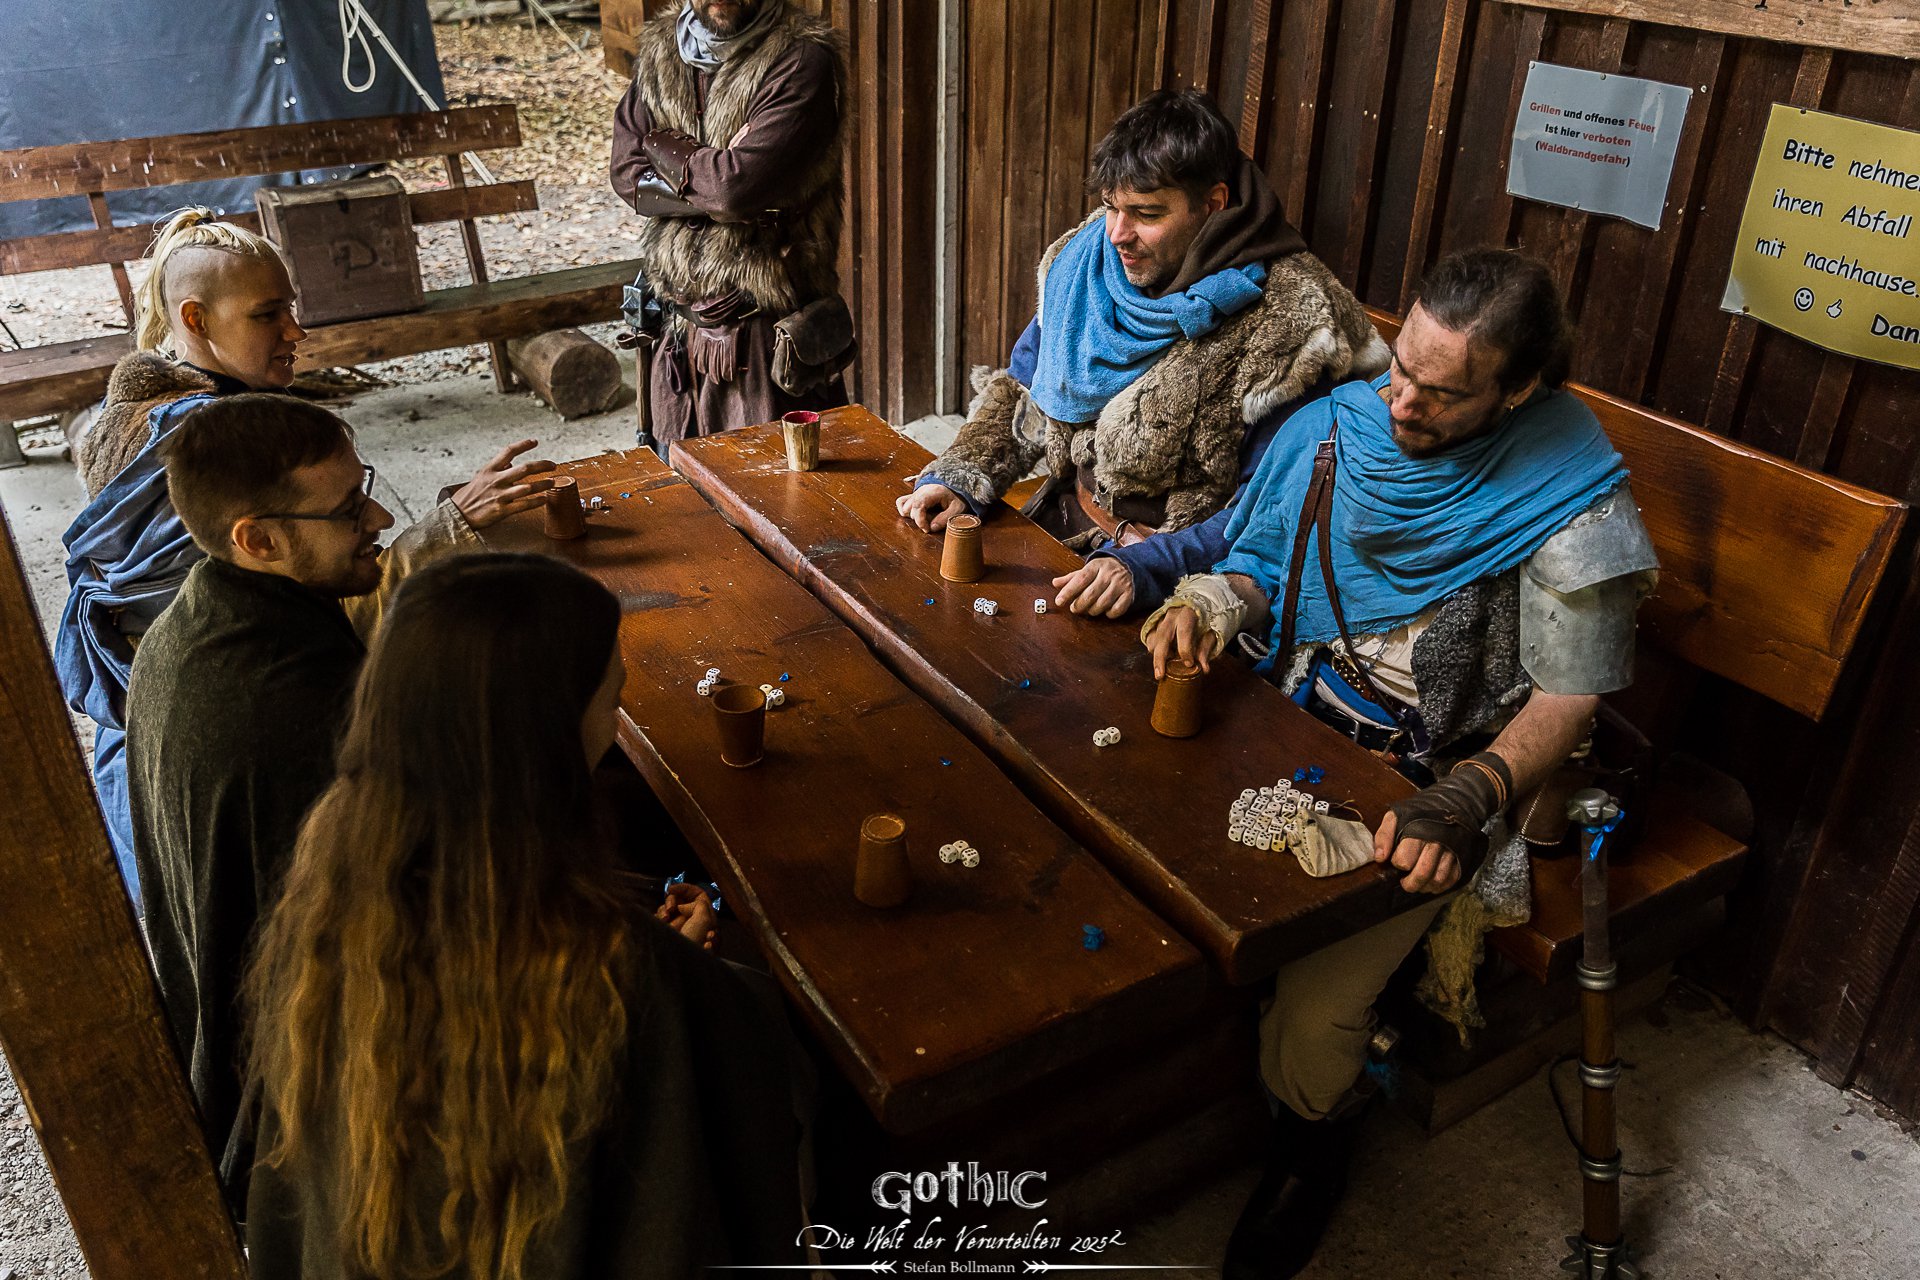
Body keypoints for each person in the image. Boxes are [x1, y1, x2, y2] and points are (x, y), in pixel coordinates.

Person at [1060, 249, 1658, 1277]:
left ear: (1520, 389)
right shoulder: (1342, 426)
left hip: (1440, 777)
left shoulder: (1570, 494)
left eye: (1441, 392)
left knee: (1313, 1008)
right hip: (1294, 715)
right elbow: (1262, 559)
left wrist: (1471, 796)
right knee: (1117, 839)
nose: (1402, 401)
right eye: (1402, 367)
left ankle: (1313, 1134)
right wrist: (1211, 600)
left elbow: (1572, 694)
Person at [243, 553, 806, 1276]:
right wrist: (681, 973)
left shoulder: (332, 888)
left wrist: (653, 954)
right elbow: (735, 1130)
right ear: (548, 740)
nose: (616, 720)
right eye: (611, 699)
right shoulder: (624, 979)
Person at [54, 208, 551, 907]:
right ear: (195, 319)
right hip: (226, 794)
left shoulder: (147, 407)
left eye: (291, 307)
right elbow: (308, 619)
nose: (296, 331)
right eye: (268, 315)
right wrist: (448, 529)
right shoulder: (209, 446)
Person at [122, 395, 544, 1201]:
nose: (379, 518)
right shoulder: (297, 708)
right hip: (308, 1116)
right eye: (349, 510)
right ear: (258, 540)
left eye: (366, 490)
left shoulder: (193, 622)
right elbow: (423, 928)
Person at [897, 89, 1386, 551]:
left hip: (1172, 571)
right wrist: (959, 478)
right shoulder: (1085, 264)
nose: (1116, 234)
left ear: (1213, 205)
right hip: (1065, 522)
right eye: (1112, 207)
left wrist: (1143, 569)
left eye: (1146, 214)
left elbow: (1264, 511)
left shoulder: (1290, 319)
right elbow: (1025, 389)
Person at [609, 0, 851, 450]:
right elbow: (626, 175)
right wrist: (715, 174)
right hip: (677, 322)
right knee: (678, 480)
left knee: (770, 481)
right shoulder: (662, 52)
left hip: (763, 328)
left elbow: (732, 191)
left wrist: (658, 145)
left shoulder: (800, 60)